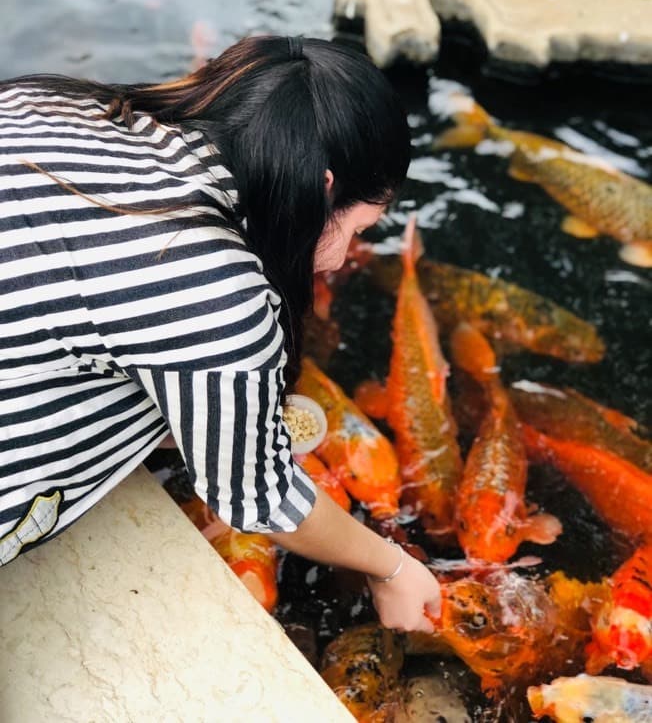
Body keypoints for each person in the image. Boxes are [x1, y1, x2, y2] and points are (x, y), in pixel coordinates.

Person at [0, 34, 440, 632]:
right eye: (359, 229)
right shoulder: (218, 293)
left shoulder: (52, 105)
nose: (341, 260)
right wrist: (392, 568)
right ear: (325, 188)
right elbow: (258, 497)